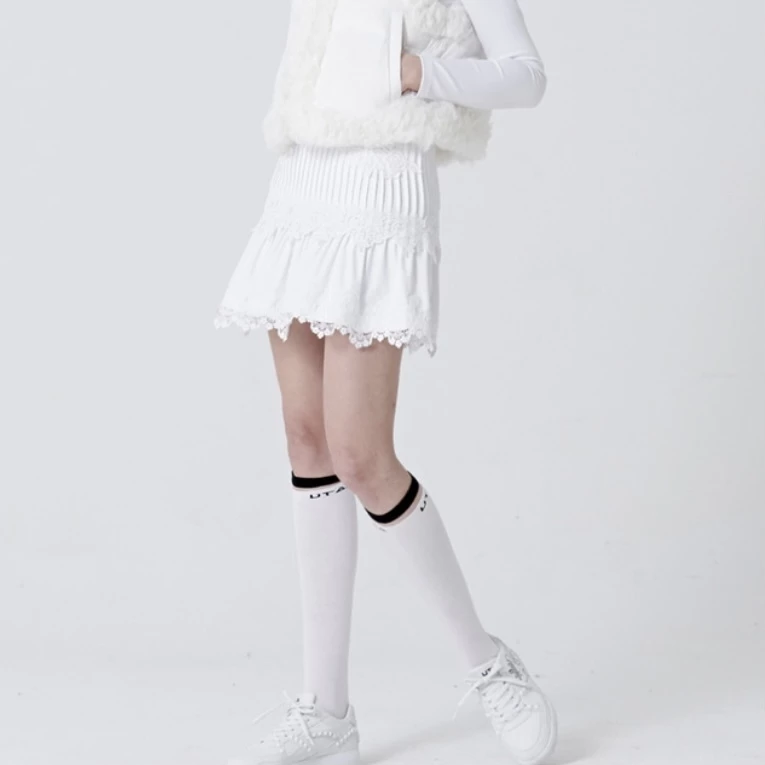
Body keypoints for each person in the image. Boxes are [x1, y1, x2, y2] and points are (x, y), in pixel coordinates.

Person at [214, 0, 555, 763]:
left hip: (383, 186)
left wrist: (416, 72)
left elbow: (526, 77)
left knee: (362, 455)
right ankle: (326, 707)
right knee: (307, 439)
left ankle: (488, 663)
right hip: (303, 177)